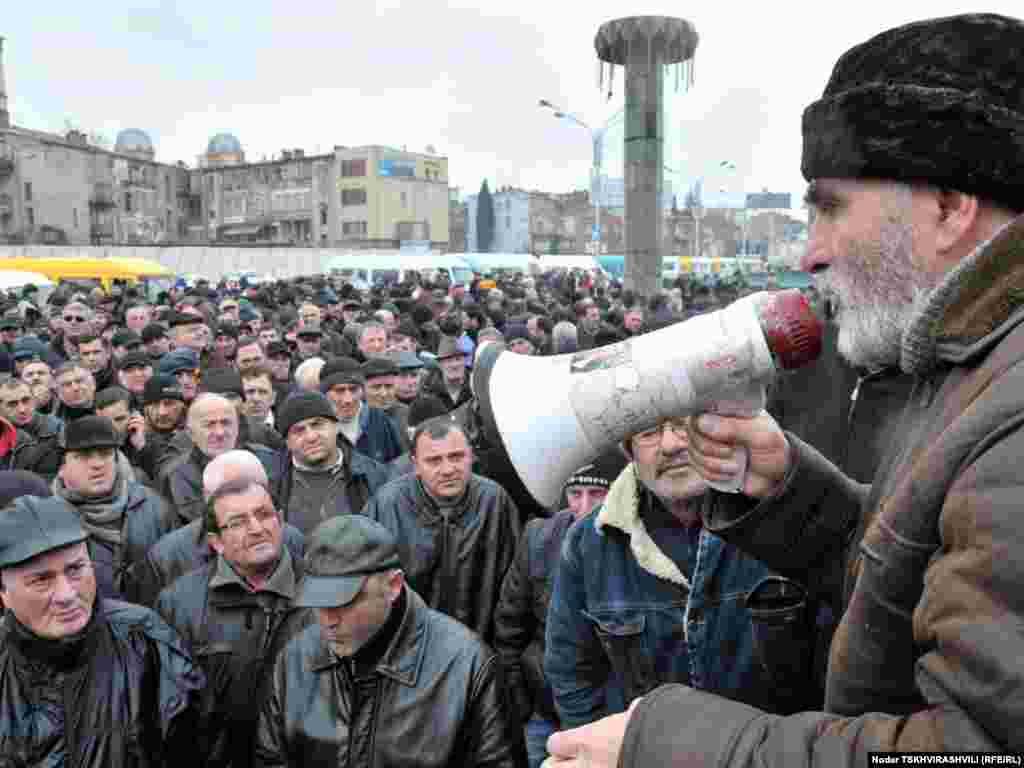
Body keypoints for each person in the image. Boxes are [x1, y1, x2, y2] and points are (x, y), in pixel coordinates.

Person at [545, 13, 1024, 767]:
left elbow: (976, 753)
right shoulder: (975, 363)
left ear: (948, 206)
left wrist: (664, 743)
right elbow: (925, 584)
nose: (810, 251)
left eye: (830, 205)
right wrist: (789, 493)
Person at [252, 514, 527, 768]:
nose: (327, 621)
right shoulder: (293, 655)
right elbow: (270, 760)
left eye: (343, 601)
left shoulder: (468, 666)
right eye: (317, 602)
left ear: (393, 585)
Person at [0, 495, 204, 765]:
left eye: (75, 569)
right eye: (41, 580)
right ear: (4, 593)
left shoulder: (144, 640)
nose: (66, 594)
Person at [156, 477, 314, 767]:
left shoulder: (321, 593)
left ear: (280, 521)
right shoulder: (178, 603)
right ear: (216, 541)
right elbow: (172, 711)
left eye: (264, 515)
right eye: (238, 522)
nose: (256, 529)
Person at [494, 453, 627, 768]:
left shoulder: (635, 542)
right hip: (545, 706)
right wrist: (521, 700)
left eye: (597, 494)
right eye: (575, 493)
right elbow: (509, 627)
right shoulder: (539, 538)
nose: (583, 506)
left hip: (612, 711)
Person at [361, 418, 521, 644]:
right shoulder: (387, 505)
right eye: (434, 461)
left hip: (478, 646)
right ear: (415, 465)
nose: (447, 470)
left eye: (456, 457)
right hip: (407, 648)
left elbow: (515, 587)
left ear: (471, 456)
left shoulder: (494, 500)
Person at [133, 449, 306, 608]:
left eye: (252, 489)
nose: (256, 529)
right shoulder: (168, 557)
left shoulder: (294, 543)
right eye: (237, 521)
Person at [52, 415, 174, 600]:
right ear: (62, 467)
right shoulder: (46, 519)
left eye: (105, 454)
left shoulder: (155, 507)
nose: (97, 464)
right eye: (83, 456)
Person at [271, 391, 390, 535]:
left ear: (336, 427)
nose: (311, 436)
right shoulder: (272, 484)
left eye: (317, 425)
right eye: (299, 431)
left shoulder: (375, 476)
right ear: (287, 442)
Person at [161, 393, 277, 527]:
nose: (220, 432)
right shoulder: (178, 475)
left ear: (238, 427)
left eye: (226, 423)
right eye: (209, 425)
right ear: (190, 433)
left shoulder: (266, 459)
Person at [319, 356, 404, 464]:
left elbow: (397, 467)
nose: (348, 399)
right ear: (324, 393)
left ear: (362, 390)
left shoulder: (379, 420)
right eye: (339, 391)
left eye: (353, 389)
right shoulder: (314, 425)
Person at [0, 376, 62, 480]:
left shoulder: (56, 428)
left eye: (26, 400)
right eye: (12, 404)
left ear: (34, 399)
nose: (22, 409)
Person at [362, 356, 410, 447]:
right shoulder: (355, 417)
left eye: (389, 386)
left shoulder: (407, 414)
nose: (383, 393)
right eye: (376, 387)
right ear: (362, 388)